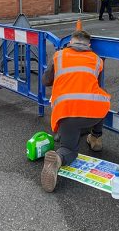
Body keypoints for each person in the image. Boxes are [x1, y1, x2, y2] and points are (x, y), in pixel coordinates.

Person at [40, 30, 111, 192]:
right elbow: (95, 85)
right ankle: (96, 139)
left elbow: (45, 81)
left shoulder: (59, 56)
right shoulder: (97, 60)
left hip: (67, 114)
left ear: (70, 43)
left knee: (69, 149)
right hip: (93, 113)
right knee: (102, 97)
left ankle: (58, 158)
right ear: (89, 45)